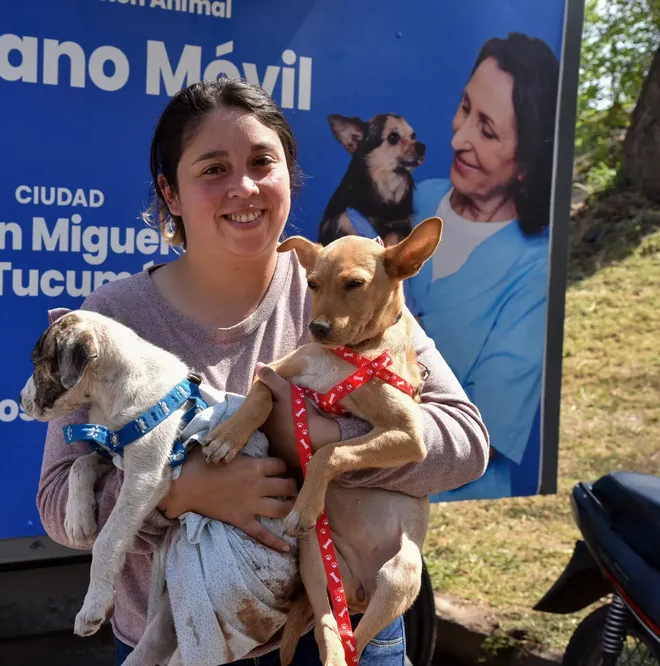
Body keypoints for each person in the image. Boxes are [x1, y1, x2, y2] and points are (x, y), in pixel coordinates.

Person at [36, 78, 490, 665]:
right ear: (170, 194)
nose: (244, 186)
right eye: (213, 169)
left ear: (287, 176)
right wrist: (177, 491)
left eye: (261, 162)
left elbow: (465, 444)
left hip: (342, 633)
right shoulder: (113, 318)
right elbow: (58, 504)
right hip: (182, 641)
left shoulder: (346, 289)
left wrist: (313, 440)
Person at [400, 33, 560, 501]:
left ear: (527, 165)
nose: (457, 137)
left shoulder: (534, 273)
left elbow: (480, 439)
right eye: (465, 106)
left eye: (487, 130)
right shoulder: (415, 199)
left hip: (440, 493)